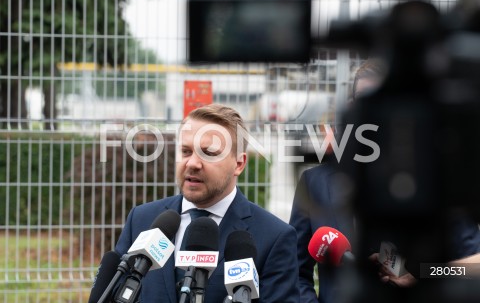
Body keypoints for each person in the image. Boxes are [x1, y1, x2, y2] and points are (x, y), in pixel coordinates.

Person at [289, 58, 480, 302]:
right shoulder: (314, 182)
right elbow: (295, 270)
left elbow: (473, 266)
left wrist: (423, 274)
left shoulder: (439, 182)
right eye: (365, 99)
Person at [115, 103, 300, 303]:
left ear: (239, 164)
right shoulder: (142, 220)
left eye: (209, 154)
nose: (193, 163)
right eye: (186, 151)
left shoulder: (274, 238)